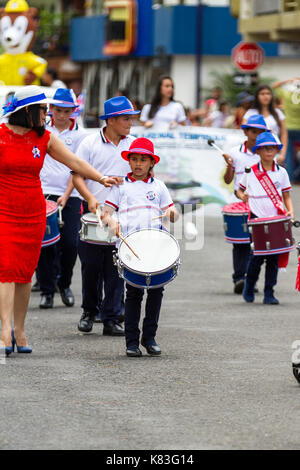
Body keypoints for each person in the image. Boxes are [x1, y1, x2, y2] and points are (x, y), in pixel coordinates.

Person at [0, 86, 122, 356]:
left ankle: (20, 330)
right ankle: (5, 331)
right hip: (4, 212)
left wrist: (100, 178)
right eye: (44, 110)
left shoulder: (44, 138)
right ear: (28, 111)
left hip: (32, 213)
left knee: (23, 274)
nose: (48, 115)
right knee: (6, 271)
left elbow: (75, 162)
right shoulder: (1, 135)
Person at [102, 137, 179, 357]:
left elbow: (172, 213)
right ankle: (132, 342)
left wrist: (173, 214)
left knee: (156, 291)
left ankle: (150, 338)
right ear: (129, 161)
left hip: (155, 245)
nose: (137, 164)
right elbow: (105, 212)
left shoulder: (159, 186)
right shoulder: (120, 185)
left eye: (143, 160)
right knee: (134, 293)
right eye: (134, 159)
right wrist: (111, 222)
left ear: (151, 163)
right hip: (130, 245)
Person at [73, 96, 140, 336]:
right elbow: (77, 176)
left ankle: (111, 317)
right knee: (90, 267)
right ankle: (89, 311)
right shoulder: (89, 143)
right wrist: (91, 199)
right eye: (126, 118)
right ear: (111, 120)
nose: (130, 122)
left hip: (122, 216)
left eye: (131, 117)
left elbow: (144, 176)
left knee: (116, 269)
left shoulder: (134, 145)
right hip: (92, 214)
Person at [36, 88, 89, 309]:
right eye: (58, 110)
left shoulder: (79, 135)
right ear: (50, 110)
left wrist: (66, 196)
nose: (61, 115)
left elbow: (76, 167)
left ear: (72, 111)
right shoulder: (40, 131)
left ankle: (64, 284)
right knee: (44, 245)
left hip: (71, 194)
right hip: (42, 193)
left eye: (66, 111)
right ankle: (47, 291)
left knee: (70, 243)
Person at [237, 132, 294, 305]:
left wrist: (290, 212)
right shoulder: (251, 172)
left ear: (277, 150)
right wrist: (242, 196)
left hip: (275, 219)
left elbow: (286, 196)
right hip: (257, 219)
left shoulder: (282, 172)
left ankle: (269, 292)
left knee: (273, 258)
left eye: (272, 148)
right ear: (258, 151)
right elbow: (238, 190)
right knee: (256, 257)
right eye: (265, 148)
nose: (269, 151)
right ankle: (249, 285)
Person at [223, 115, 270, 294]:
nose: (256, 135)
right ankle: (239, 278)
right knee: (240, 243)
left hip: (260, 204)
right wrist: (229, 166)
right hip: (239, 203)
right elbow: (228, 180)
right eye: (253, 131)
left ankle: (250, 279)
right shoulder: (235, 152)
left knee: (256, 244)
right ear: (245, 132)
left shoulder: (265, 154)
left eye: (260, 132)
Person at [242, 84, 287, 164]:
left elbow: (284, 134)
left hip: (273, 152)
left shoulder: (278, 113)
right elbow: (244, 132)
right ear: (257, 96)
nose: (266, 96)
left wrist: (282, 154)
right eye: (262, 94)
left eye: (268, 93)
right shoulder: (250, 113)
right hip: (255, 153)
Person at [272, 77, 300, 182]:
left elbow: (275, 85)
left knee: (288, 154)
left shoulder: (287, 95)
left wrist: (288, 80)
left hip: (288, 128)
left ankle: (289, 178)